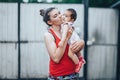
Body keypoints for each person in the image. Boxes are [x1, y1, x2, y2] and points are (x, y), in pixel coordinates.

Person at [40, 7, 84, 80]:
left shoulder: (68, 28)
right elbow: (56, 58)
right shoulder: (49, 35)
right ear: (50, 22)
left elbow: (75, 48)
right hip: (58, 77)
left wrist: (82, 43)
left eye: (59, 13)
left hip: (73, 75)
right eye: (55, 16)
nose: (60, 15)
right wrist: (66, 39)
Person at [58, 8, 86, 73]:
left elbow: (64, 34)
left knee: (70, 54)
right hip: (75, 39)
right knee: (76, 51)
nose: (63, 17)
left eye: (66, 16)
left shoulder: (66, 25)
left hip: (72, 41)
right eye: (63, 15)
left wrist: (62, 41)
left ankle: (78, 63)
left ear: (72, 20)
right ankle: (81, 58)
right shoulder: (68, 24)